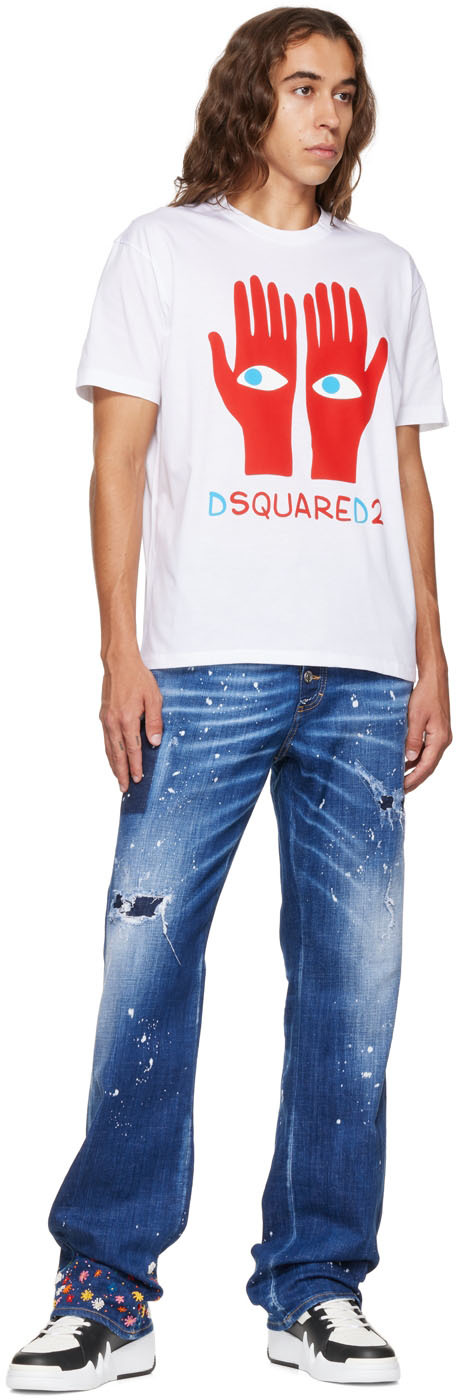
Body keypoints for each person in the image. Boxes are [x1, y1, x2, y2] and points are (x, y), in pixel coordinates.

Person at [7, 6, 451, 1390]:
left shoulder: (387, 271)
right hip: (201, 666)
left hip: (362, 675)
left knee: (353, 986)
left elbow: (403, 470)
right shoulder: (164, 250)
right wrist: (118, 649)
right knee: (149, 967)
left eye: (346, 93)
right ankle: (107, 1286)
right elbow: (117, 463)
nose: (329, 114)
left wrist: (430, 653)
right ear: (250, 101)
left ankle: (317, 1286)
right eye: (303, 86)